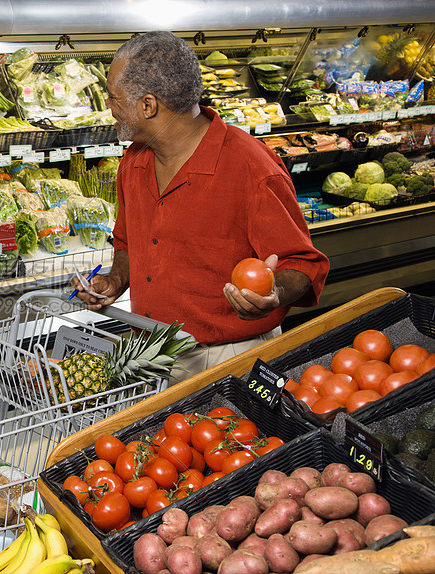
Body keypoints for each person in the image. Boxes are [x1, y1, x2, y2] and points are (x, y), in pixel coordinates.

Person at [72, 32, 329, 380]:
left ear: (148, 105)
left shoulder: (251, 168)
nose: (108, 106)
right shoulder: (133, 161)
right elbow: (129, 241)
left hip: (228, 358)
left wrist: (275, 294)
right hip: (151, 352)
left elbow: (302, 263)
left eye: (113, 98)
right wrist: (116, 280)